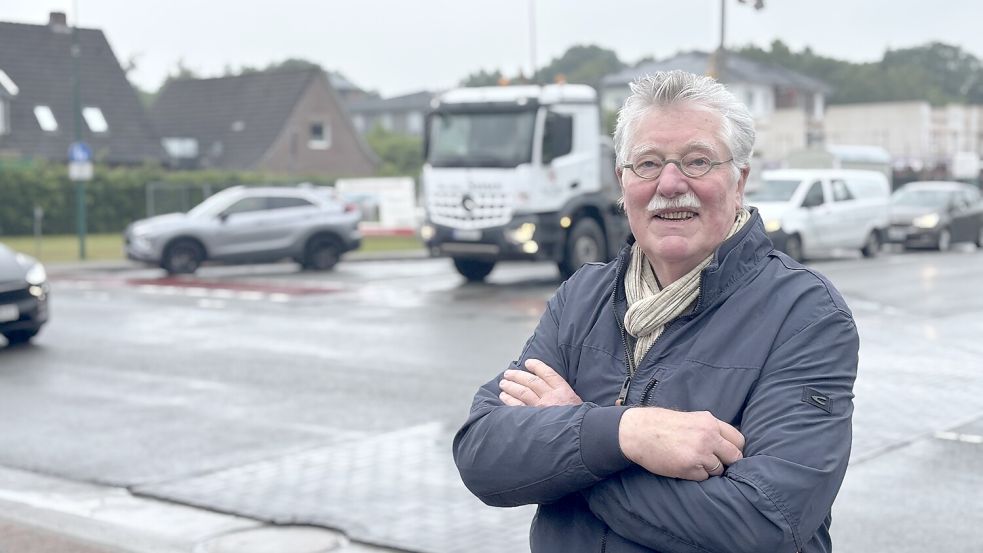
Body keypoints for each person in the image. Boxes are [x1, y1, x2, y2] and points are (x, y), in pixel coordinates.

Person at [452, 70, 858, 553]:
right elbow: (483, 453)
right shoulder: (583, 296)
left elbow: (763, 523)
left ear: (740, 180)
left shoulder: (806, 314)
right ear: (622, 184)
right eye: (647, 163)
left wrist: (571, 449)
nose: (670, 184)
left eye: (697, 161)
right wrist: (627, 433)